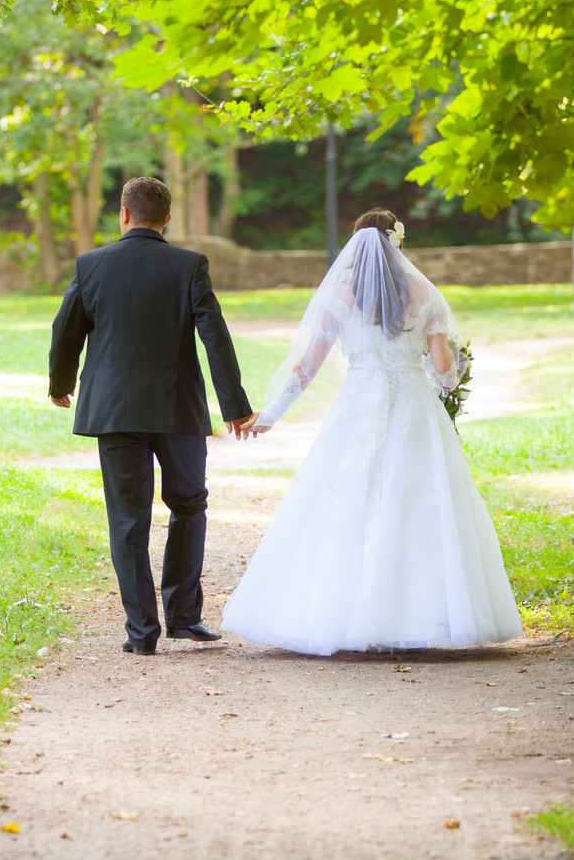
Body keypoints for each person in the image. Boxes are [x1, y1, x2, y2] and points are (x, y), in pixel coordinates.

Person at [222, 208, 522, 656]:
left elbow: (305, 369)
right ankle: (417, 615)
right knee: (417, 502)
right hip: (413, 409)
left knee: (347, 503)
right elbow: (445, 373)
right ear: (397, 243)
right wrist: (449, 370)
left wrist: (270, 415)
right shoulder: (426, 295)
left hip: (356, 408)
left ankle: (341, 614)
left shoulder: (339, 297)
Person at [49, 177, 254, 656]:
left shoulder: (91, 264)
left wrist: (61, 384)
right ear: (166, 219)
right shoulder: (189, 265)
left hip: (113, 411)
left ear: (123, 214)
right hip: (177, 407)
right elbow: (214, 336)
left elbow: (66, 329)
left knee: (127, 518)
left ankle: (141, 633)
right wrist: (235, 407)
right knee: (189, 505)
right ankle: (184, 617)